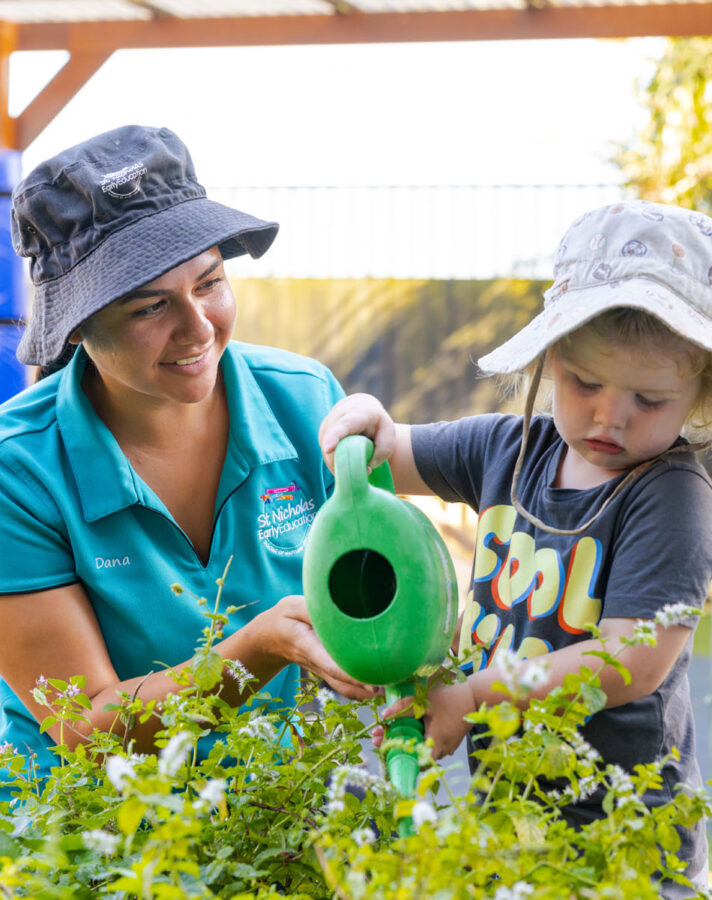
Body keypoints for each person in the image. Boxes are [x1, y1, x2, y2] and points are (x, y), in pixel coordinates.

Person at [320, 200, 712, 896]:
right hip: (510, 814)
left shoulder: (670, 493)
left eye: (649, 400)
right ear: (550, 355)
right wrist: (364, 419)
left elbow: (633, 662)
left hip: (624, 839)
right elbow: (394, 455)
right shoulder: (511, 445)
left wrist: (472, 696)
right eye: (586, 383)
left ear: (697, 393)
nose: (608, 416)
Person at [0, 124, 375, 789]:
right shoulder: (18, 470)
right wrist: (256, 648)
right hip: (88, 829)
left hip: (279, 806)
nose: (199, 329)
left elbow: (382, 595)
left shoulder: (307, 400)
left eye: (210, 282)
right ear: (78, 326)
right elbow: (85, 726)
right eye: (151, 306)